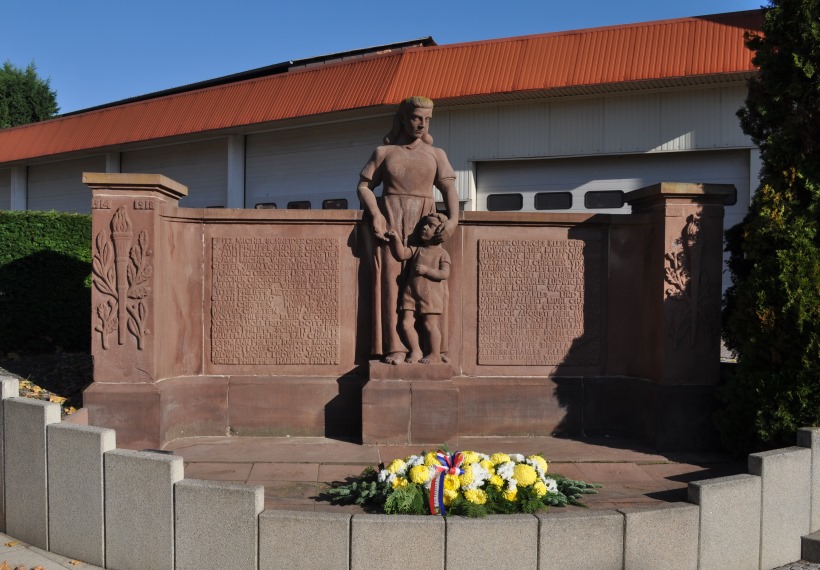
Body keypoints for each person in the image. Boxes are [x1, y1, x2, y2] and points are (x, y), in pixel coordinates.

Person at [357, 96, 459, 364]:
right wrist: (376, 214)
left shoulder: (437, 155)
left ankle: (434, 350)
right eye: (416, 118)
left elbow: (448, 187)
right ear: (403, 118)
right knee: (392, 283)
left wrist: (453, 220)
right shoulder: (384, 152)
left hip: (424, 224)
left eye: (427, 120)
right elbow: (364, 187)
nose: (421, 124)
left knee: (427, 288)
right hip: (391, 219)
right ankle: (396, 348)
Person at [386, 213, 451, 364]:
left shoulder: (442, 253)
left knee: (430, 325)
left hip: (430, 295)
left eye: (430, 226)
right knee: (405, 324)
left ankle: (435, 354)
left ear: (440, 231)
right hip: (410, 293)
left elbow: (444, 273)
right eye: (424, 224)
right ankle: (416, 350)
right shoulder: (417, 249)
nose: (424, 228)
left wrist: (426, 271)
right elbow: (401, 254)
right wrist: (395, 238)